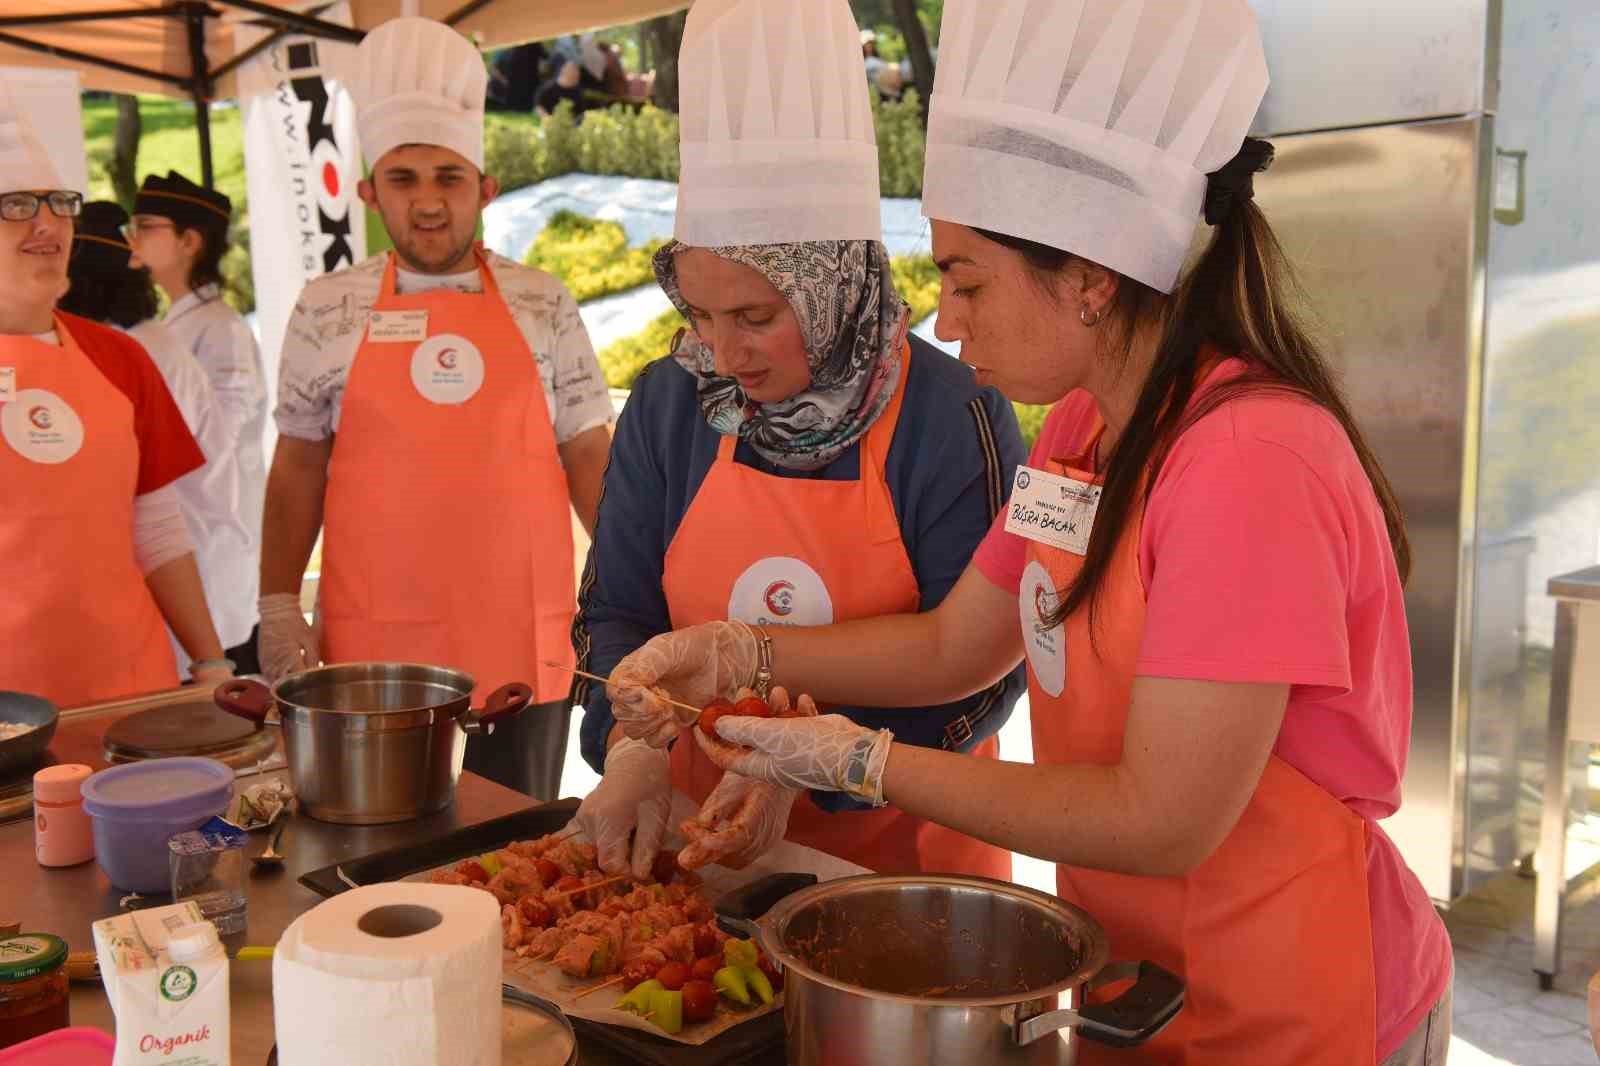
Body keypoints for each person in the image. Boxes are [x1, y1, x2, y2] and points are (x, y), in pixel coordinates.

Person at [603, 2, 1452, 1064]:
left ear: (1090, 278)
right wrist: (739, 652)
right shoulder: (1089, 428)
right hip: (1139, 974)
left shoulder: (1248, 464)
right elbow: (958, 644)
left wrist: (862, 761)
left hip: (1296, 995)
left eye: (966, 279)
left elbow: (1162, 817)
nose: (946, 322)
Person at [570, 0, 1025, 884]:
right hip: (696, 856)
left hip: (913, 871)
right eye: (698, 313)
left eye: (757, 316)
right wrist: (631, 753)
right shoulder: (672, 402)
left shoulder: (948, 413)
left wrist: (816, 772)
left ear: (834, 289)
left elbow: (982, 673)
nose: (724, 353)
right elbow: (615, 611)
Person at [261, 16, 614, 797]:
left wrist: (634, 590)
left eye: (448, 178)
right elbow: (297, 468)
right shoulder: (327, 308)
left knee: (515, 856)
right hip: (374, 660)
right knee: (382, 863)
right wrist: (280, 604)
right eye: (404, 179)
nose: (427, 203)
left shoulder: (541, 302)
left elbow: (589, 451)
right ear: (366, 192)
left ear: (485, 188)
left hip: (522, 652)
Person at [0, 85, 231, 706]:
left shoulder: (120, 358)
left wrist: (211, 663)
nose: (48, 223)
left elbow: (157, 529)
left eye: (59, 202)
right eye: (17, 204)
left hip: (133, 696)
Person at [60, 201, 252, 673]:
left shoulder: (138, 353)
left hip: (192, 566)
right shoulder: (147, 340)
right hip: (184, 561)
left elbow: (147, 496)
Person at [126, 171, 267, 676]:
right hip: (184, 537)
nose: (132, 239)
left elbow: (217, 443)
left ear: (189, 241)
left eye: (145, 226)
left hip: (215, 539)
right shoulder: (172, 326)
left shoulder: (221, 329)